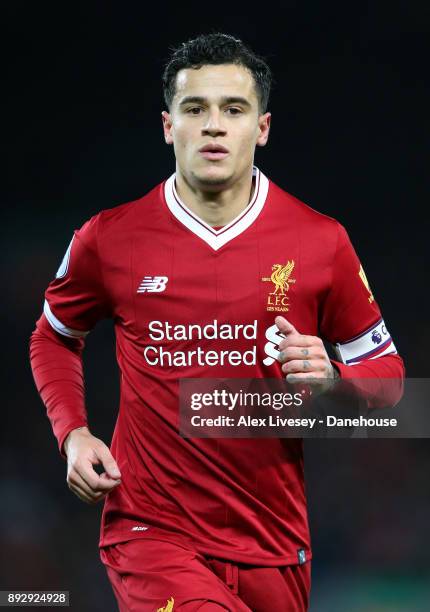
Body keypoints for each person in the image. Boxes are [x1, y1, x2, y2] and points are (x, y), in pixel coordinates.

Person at [30, 33, 404, 611]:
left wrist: (333, 380)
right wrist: (73, 433)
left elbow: (390, 380)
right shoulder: (110, 238)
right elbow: (54, 335)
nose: (213, 125)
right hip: (151, 533)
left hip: (274, 544)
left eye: (233, 110)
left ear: (262, 127)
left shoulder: (320, 241)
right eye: (194, 108)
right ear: (167, 125)